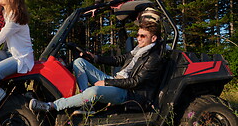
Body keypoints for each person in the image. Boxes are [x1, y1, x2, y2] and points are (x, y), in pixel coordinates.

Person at [29, 20, 162, 113]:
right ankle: (87, 106)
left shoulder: (153, 58)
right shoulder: (137, 50)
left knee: (93, 92)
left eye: (143, 36)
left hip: (127, 93)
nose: (139, 38)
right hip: (116, 81)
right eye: (138, 35)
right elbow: (119, 59)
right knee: (79, 62)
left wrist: (106, 82)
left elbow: (135, 82)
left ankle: (52, 106)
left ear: (154, 38)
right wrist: (95, 58)